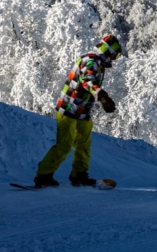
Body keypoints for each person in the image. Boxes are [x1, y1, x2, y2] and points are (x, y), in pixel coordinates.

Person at [33, 35, 122, 188]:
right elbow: (88, 81)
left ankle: (79, 175)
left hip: (82, 111)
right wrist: (102, 96)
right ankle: (43, 176)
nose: (114, 58)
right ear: (106, 52)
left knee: (83, 144)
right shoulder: (91, 61)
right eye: (114, 54)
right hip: (68, 109)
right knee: (64, 145)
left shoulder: (97, 62)